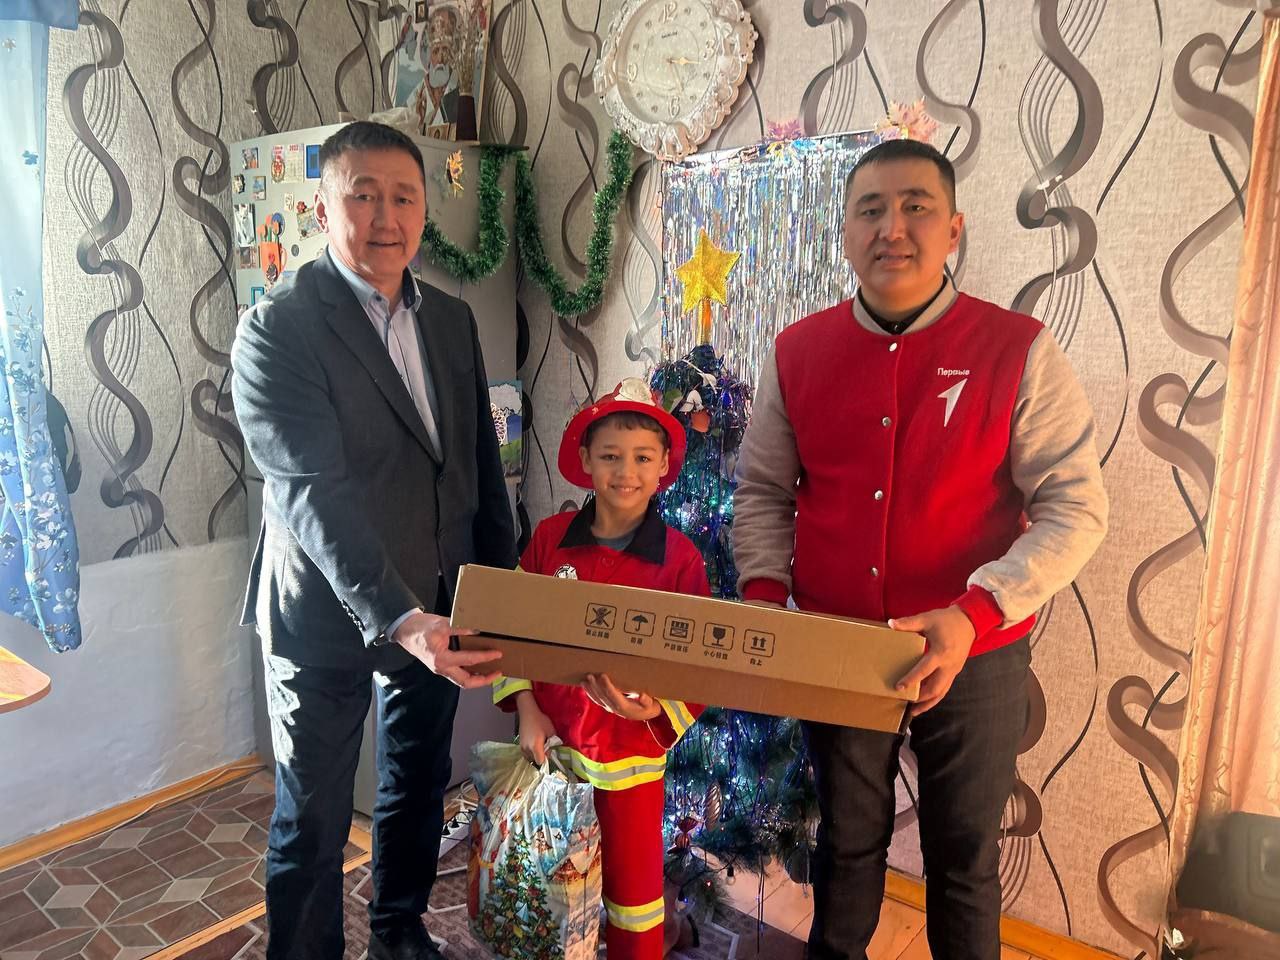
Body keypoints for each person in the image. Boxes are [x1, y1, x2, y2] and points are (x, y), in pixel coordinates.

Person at [732, 138, 1109, 960]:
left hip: (977, 650)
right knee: (846, 844)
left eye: (915, 207)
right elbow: (761, 490)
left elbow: (1076, 507)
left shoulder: (1018, 348)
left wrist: (975, 612)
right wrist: (765, 602)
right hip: (839, 645)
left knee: (964, 858)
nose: (892, 228)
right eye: (870, 210)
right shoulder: (798, 351)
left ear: (954, 229)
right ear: (845, 232)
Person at [231, 121, 517, 960]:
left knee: (417, 784)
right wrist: (400, 617)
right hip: (325, 616)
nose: (385, 218)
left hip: (438, 599)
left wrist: (499, 590)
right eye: (363, 196)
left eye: (403, 197)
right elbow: (311, 493)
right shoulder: (278, 328)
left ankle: (397, 930)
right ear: (323, 208)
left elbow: (475, 466)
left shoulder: (452, 321)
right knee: (314, 820)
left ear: (424, 210)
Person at [492, 378, 707, 959]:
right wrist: (527, 710)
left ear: (663, 466)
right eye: (610, 456)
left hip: (631, 773)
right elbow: (509, 630)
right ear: (586, 460)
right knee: (548, 892)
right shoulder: (548, 543)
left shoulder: (682, 563)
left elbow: (699, 670)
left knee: (632, 906)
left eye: (642, 458)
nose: (625, 471)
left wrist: (655, 709)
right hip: (552, 759)